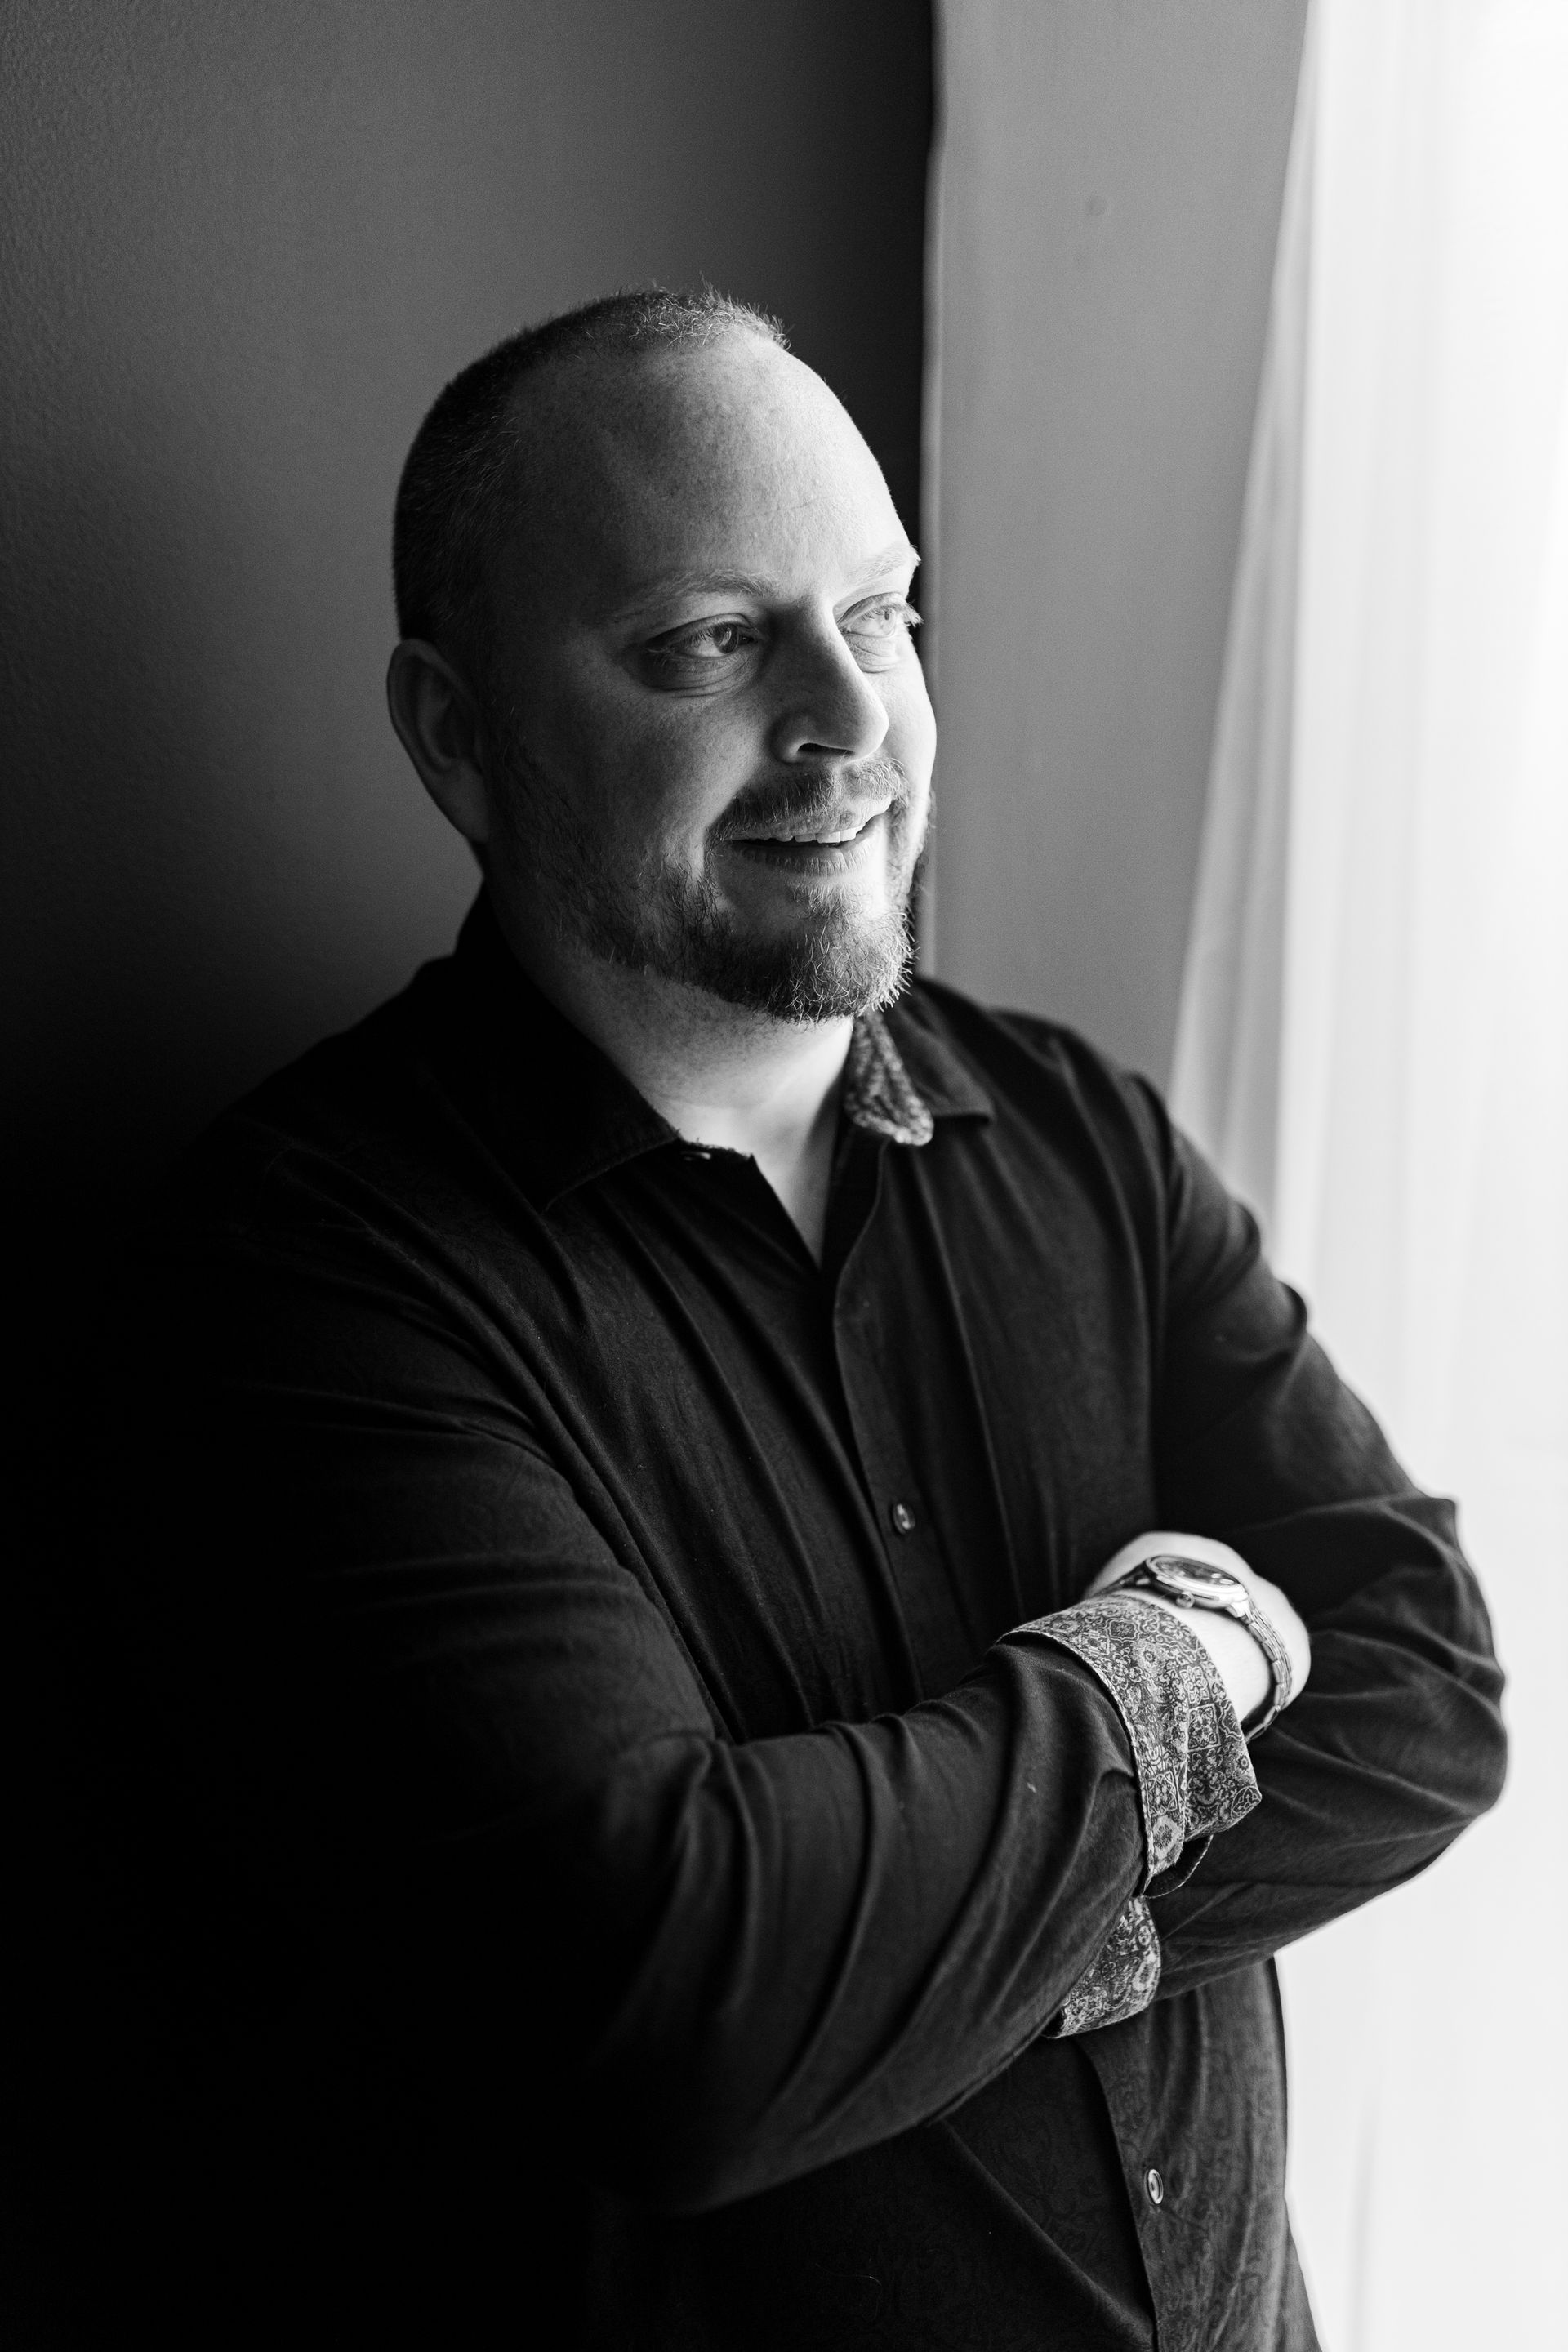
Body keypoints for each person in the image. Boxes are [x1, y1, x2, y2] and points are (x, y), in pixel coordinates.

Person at [111, 288, 1505, 2350]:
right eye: (712, 642)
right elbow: (684, 2003)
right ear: (456, 735)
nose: (856, 723)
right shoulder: (315, 1277)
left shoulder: (1068, 1124)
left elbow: (1423, 1675)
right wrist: (1184, 1660)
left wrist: (936, 1935)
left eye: (887, 611)